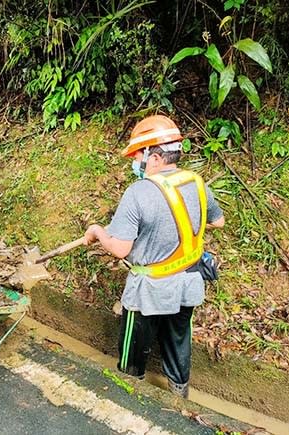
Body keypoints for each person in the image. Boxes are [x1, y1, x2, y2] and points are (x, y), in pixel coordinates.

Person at [83, 115, 224, 398]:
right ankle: (179, 398)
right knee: (178, 341)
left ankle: (127, 396)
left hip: (149, 290)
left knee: (133, 350)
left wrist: (98, 232)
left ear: (155, 157)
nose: (136, 163)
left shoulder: (139, 192)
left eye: (138, 156)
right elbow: (217, 222)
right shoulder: (197, 182)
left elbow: (121, 249)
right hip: (188, 282)